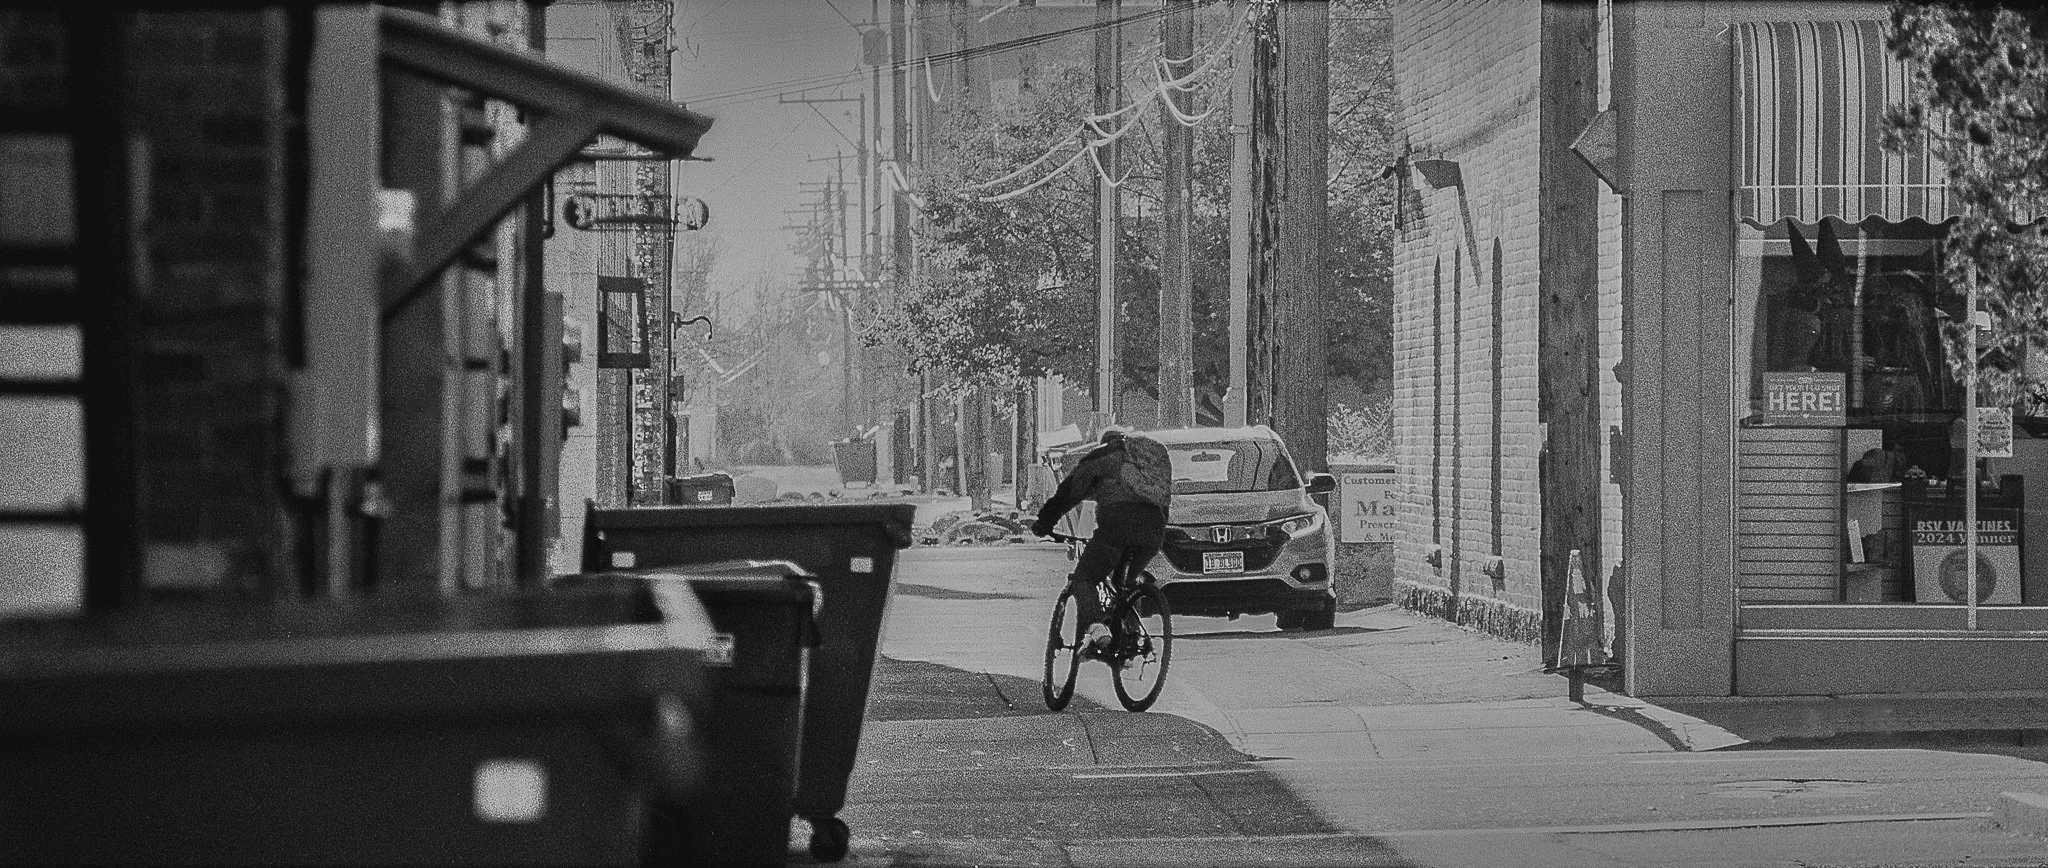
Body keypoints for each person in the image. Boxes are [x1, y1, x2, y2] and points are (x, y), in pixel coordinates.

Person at [1030, 427, 1171, 652]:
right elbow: (1163, 501)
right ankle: (1131, 635)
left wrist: (1044, 523)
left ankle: (1097, 628)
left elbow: (1069, 493)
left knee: (1084, 578)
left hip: (1116, 529)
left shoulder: (1100, 458)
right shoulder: (1145, 462)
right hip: (1153, 532)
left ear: (1103, 443)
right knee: (1126, 582)